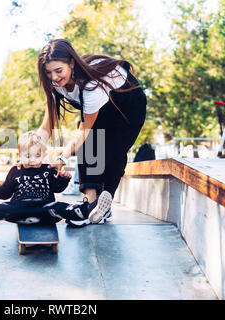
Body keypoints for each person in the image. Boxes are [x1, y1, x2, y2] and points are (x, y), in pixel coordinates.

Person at [36, 39, 147, 226]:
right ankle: (90, 206)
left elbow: (84, 131)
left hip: (129, 107)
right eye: (48, 72)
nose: (54, 77)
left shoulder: (90, 85)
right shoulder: (55, 85)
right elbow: (48, 123)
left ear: (71, 63)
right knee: (90, 146)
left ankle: (103, 203)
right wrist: (33, 147)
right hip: (102, 108)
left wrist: (62, 158)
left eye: (58, 71)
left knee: (112, 150)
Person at [0, 131, 112, 233]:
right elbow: (4, 193)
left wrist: (63, 179)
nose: (32, 160)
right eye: (27, 156)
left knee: (61, 207)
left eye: (37, 156)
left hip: (46, 209)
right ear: (19, 155)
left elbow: (57, 188)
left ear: (44, 155)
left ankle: (90, 210)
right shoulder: (16, 171)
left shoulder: (48, 169)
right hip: (18, 209)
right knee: (0, 208)